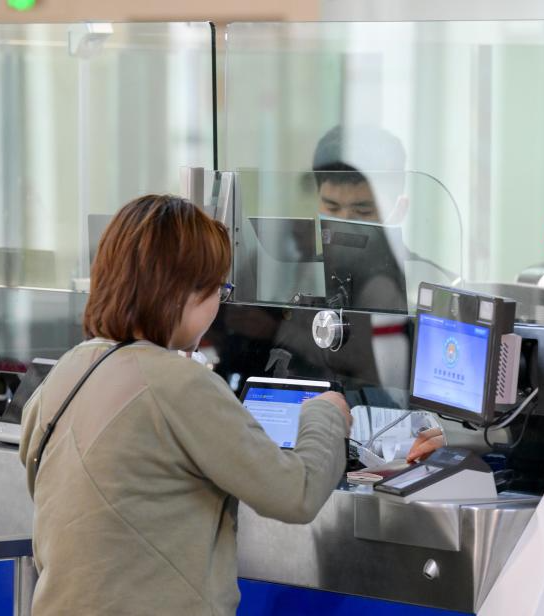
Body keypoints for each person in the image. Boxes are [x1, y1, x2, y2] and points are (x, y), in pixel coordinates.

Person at [18, 195, 353, 615]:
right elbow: (294, 493)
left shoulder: (65, 372)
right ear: (179, 293)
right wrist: (326, 414)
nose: (218, 306)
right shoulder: (177, 383)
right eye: (218, 290)